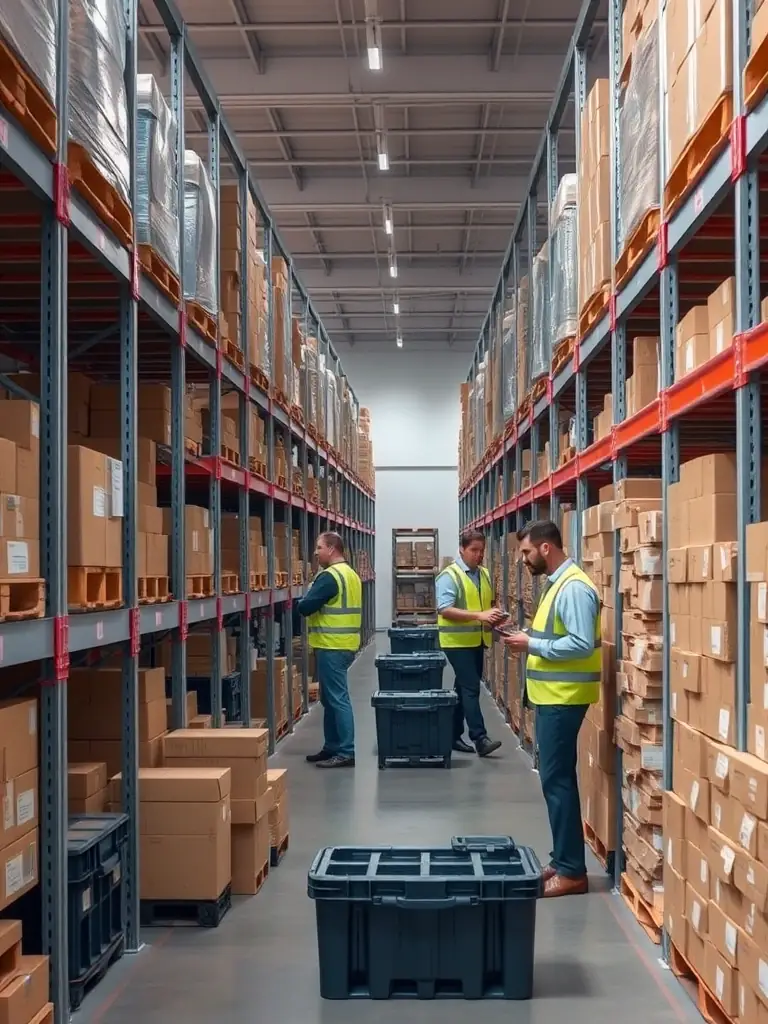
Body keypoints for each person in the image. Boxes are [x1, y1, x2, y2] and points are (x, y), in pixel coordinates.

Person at [503, 519, 601, 898]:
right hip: (552, 697)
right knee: (554, 781)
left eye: (526, 552)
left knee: (558, 782)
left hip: (563, 699)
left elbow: (579, 644)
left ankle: (573, 871)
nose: (523, 560)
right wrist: (524, 635)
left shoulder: (574, 587)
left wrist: (532, 646)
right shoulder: (557, 583)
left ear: (546, 548)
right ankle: (562, 860)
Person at [436, 529, 506, 757]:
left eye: (481, 551)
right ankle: (480, 738)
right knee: (471, 688)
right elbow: (444, 609)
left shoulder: (484, 574)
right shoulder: (450, 575)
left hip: (477, 639)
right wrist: (480, 616)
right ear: (462, 549)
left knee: (462, 688)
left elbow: (487, 604)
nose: (478, 555)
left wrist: (496, 617)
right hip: (456, 642)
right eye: (474, 550)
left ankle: (452, 735)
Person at [297, 531, 362, 769]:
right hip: (342, 644)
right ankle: (332, 747)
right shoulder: (350, 574)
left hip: (332, 645)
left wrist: (301, 601)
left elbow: (305, 607)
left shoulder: (329, 577)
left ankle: (345, 751)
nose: (315, 553)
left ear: (332, 549)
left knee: (337, 698)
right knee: (329, 698)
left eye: (319, 547)